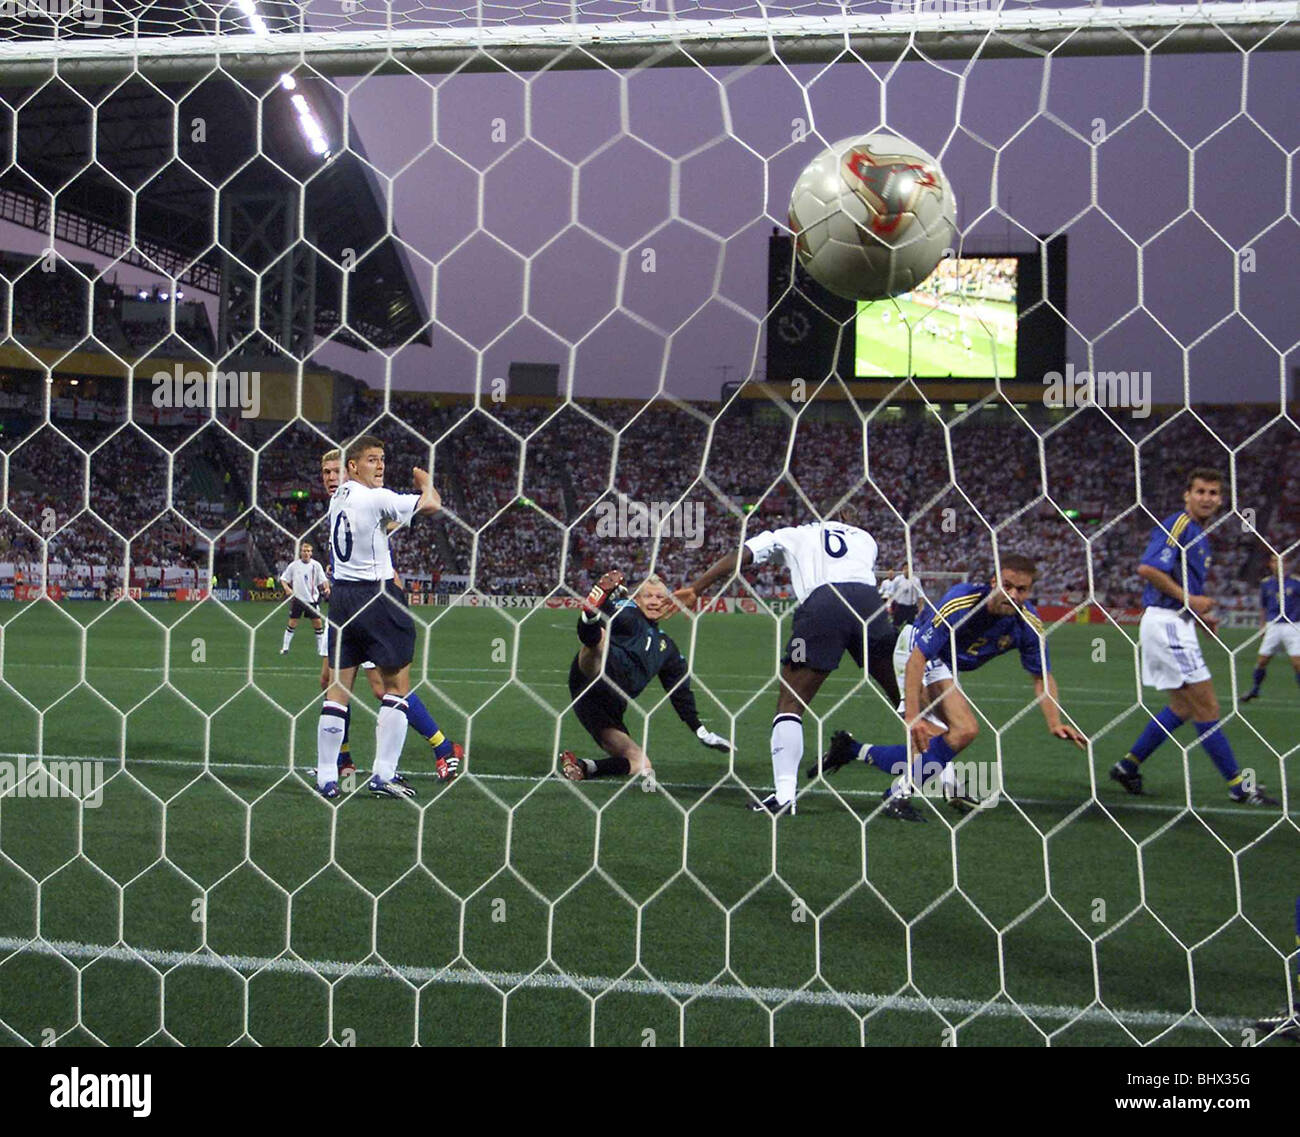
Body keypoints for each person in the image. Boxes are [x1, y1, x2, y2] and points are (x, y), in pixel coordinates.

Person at [812, 554, 1086, 820]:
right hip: (916, 649)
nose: (1013, 594)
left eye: (1022, 589)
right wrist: (912, 715)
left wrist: (1054, 721)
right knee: (950, 732)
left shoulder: (1028, 624)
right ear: (994, 582)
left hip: (944, 664)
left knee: (939, 743)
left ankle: (852, 750)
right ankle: (900, 794)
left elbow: (1042, 677)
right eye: (1008, 586)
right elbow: (918, 659)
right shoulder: (962, 602)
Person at [674, 505, 898, 816]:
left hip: (823, 606)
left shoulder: (793, 533)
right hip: (869, 606)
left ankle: (784, 796)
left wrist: (698, 588)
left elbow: (742, 554)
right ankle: (944, 774)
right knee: (904, 696)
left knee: (790, 702)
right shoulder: (866, 539)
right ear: (845, 517)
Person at [1109, 468, 1277, 805]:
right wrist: (1191, 601)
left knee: (1183, 705)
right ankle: (1237, 786)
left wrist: (1199, 616)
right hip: (1167, 624)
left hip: (1176, 622)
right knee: (1207, 704)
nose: (1207, 498)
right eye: (1200, 491)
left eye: (1214, 493)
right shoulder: (1179, 525)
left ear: (1221, 500)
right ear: (1187, 495)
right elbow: (1148, 568)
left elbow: (1179, 586)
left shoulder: (1200, 535)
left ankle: (1127, 766)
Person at [317, 448, 462, 784]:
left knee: (385, 689)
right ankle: (346, 760)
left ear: (350, 470)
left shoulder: (366, 499)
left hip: (372, 602)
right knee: (331, 683)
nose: (330, 478)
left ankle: (442, 746)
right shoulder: (338, 503)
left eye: (336, 471)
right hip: (347, 602)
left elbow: (420, 508)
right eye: (325, 472)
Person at [560, 570, 731, 782]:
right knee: (598, 640)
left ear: (669, 601)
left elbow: (680, 692)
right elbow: (615, 611)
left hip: (608, 705)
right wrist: (605, 603)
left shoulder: (667, 647)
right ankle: (590, 614)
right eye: (648, 596)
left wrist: (700, 730)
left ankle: (583, 767)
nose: (654, 601)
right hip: (590, 679)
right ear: (636, 599)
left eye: (660, 597)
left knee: (641, 763)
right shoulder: (628, 612)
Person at [1240, 552, 1300, 702]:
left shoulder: (1296, 582)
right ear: (1270, 564)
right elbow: (1263, 606)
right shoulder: (1266, 583)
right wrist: (1262, 625)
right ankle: (1255, 689)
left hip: (1293, 625)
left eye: (1282, 561)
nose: (1279, 564)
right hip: (1273, 625)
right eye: (1275, 561)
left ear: (1288, 564)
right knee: (1262, 660)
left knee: (1297, 663)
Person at [279, 542, 328, 655]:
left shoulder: (316, 565)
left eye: (308, 551)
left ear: (311, 553)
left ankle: (320, 649)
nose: (306, 553)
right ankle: (285, 648)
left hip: (312, 600)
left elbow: (323, 580)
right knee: (292, 623)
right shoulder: (294, 565)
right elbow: (283, 579)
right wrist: (287, 588)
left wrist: (326, 588)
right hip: (298, 600)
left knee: (318, 624)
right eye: (304, 551)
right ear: (300, 552)